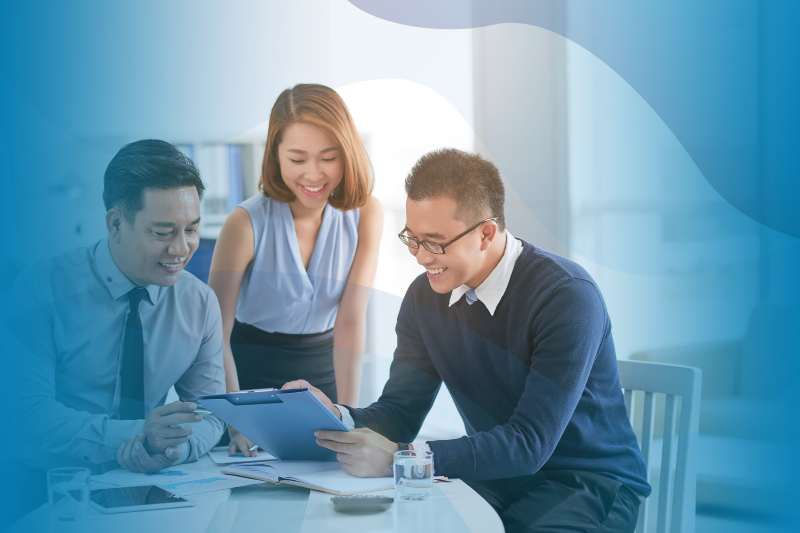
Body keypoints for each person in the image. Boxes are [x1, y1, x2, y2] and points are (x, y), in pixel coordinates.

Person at [284, 149, 651, 533]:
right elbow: (400, 413)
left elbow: (529, 444)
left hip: (588, 483)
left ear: (486, 233)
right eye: (412, 238)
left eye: (435, 242)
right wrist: (335, 417)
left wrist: (403, 458)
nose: (421, 258)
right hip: (496, 474)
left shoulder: (566, 296)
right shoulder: (424, 298)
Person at [4, 140, 226, 481]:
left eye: (192, 230)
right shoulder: (41, 288)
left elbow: (211, 414)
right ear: (116, 225)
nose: (181, 248)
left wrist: (170, 451)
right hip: (44, 483)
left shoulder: (200, 303)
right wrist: (136, 436)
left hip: (147, 482)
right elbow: (25, 412)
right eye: (163, 232)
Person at [208, 84, 382, 457]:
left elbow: (350, 320)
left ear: (347, 154)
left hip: (323, 382)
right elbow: (214, 333)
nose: (314, 175)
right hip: (249, 386)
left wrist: (347, 417)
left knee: (328, 496)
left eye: (328, 157)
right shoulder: (244, 223)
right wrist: (238, 423)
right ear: (276, 156)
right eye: (297, 159)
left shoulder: (366, 213)